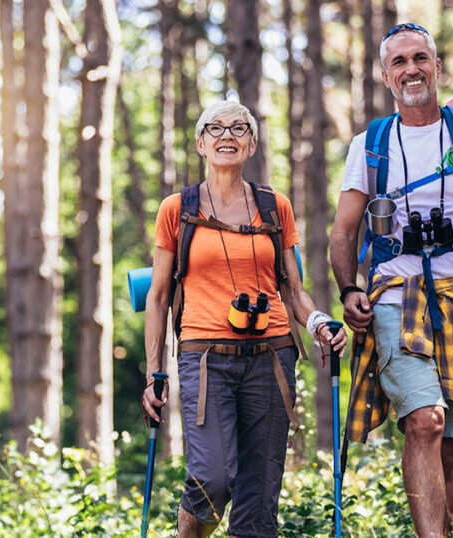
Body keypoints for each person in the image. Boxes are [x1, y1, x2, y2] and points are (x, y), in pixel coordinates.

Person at [329, 23, 453, 537]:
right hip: (397, 298)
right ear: (384, 75)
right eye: (399, 62)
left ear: (437, 68)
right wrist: (350, 290)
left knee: (452, 443)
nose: (411, 69)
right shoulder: (369, 144)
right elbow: (343, 233)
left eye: (420, 58)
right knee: (425, 421)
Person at [142, 100, 346, 538]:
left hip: (271, 356)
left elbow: (293, 290)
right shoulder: (177, 209)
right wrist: (153, 373)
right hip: (205, 357)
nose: (227, 136)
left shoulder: (276, 207)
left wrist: (317, 324)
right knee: (212, 479)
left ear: (251, 144)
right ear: (201, 143)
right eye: (215, 128)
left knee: (258, 499)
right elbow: (158, 298)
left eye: (239, 128)